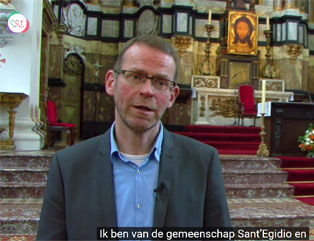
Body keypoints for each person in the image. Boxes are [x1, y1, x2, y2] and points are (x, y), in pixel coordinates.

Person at [37, 35, 231, 240]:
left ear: (172, 96)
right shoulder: (69, 166)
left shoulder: (202, 162)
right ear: (111, 82)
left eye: (160, 82)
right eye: (136, 76)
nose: (147, 91)